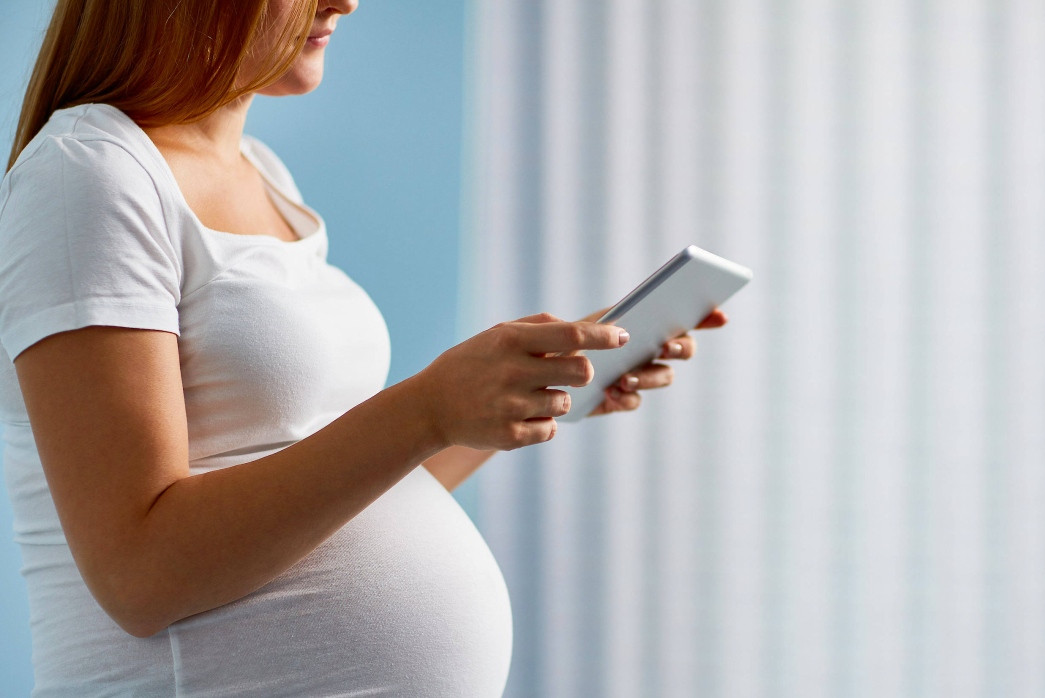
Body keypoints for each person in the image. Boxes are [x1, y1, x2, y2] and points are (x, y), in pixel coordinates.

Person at [0, 0, 727, 695]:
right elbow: (141, 574)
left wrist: (512, 396)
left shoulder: (263, 178)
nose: (345, 2)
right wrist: (428, 408)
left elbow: (327, 505)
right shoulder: (85, 174)